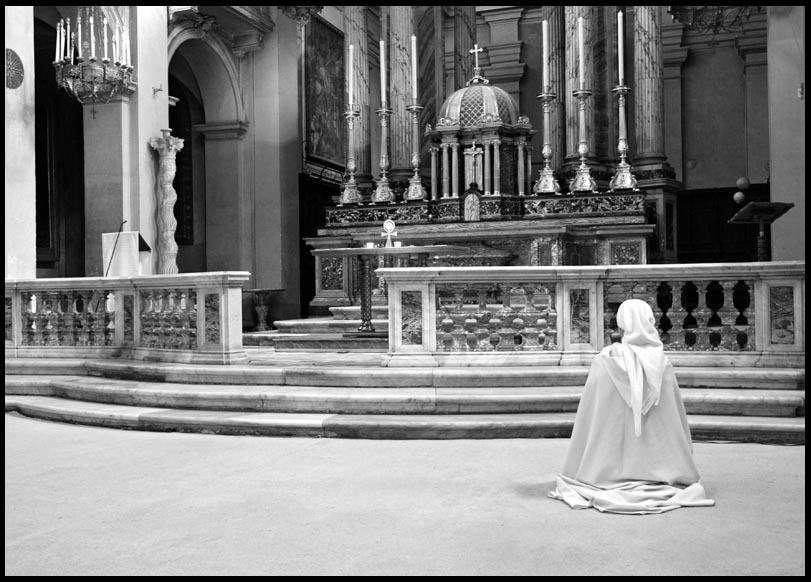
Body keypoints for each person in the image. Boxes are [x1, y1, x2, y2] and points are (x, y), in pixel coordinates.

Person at [548, 298, 716, 514]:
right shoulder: (662, 362)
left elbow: (591, 414)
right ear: (650, 322)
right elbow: (673, 417)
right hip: (663, 465)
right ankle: (659, 472)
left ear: (622, 325)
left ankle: (607, 474)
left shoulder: (605, 360)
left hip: (603, 464)